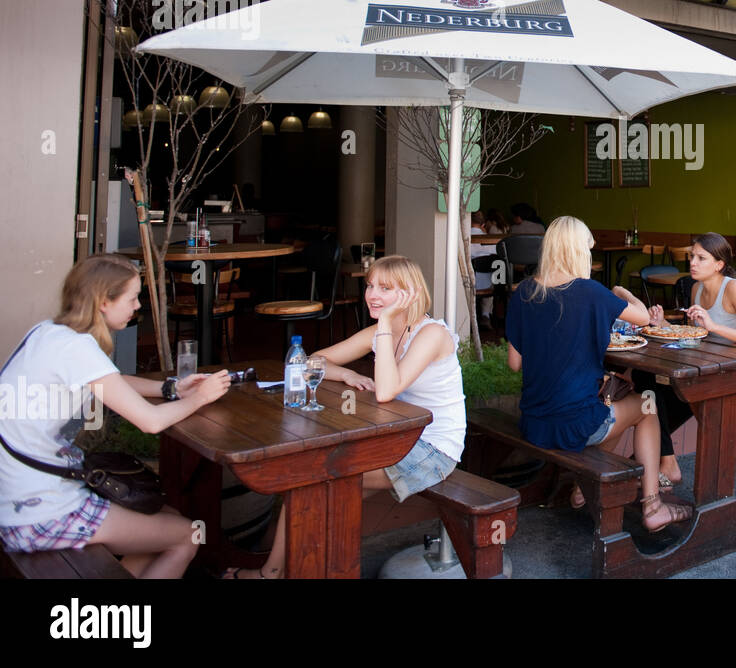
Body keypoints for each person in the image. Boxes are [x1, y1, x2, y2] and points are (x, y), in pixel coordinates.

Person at [223, 255, 463, 578]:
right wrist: (345, 375)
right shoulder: (382, 332)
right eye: (370, 285)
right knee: (315, 485)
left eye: (385, 288)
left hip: (433, 450)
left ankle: (276, 573)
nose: (372, 295)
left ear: (411, 294)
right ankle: (300, 568)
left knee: (313, 478)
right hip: (402, 438)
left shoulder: (431, 334)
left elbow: (386, 391)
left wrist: (383, 325)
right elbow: (312, 361)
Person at [0, 254, 231, 578]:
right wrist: (201, 398)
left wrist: (172, 389)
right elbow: (151, 423)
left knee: (165, 514)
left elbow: (108, 380)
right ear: (104, 301)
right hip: (41, 513)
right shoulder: (78, 348)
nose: (138, 306)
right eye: (133, 297)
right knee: (189, 534)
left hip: (18, 499)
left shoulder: (49, 332)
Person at [505, 216, 690, 533]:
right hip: (574, 423)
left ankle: (585, 487)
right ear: (579, 252)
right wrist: (622, 293)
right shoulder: (590, 291)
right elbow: (643, 316)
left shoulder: (524, 292)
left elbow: (514, 363)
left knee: (613, 405)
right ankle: (653, 507)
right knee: (647, 407)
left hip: (534, 422)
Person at [637, 232, 736, 487]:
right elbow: (694, 336)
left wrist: (714, 325)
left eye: (700, 258)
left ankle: (674, 467)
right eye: (691, 257)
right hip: (702, 371)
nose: (692, 263)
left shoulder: (733, 288)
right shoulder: (696, 288)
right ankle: (668, 461)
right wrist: (661, 323)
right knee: (646, 381)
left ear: (719, 264)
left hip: (731, 378)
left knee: (655, 396)